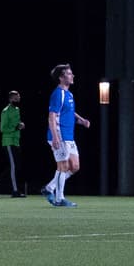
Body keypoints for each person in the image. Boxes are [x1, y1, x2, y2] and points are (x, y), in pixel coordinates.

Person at [40, 65, 90, 207]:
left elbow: (69, 112)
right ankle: (59, 199)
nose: (72, 76)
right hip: (59, 135)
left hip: (69, 136)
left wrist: (82, 120)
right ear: (61, 77)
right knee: (62, 166)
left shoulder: (69, 94)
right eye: (69, 74)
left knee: (74, 166)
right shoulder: (58, 94)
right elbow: (52, 116)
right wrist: (55, 137)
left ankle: (49, 188)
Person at [0, 90, 27, 197]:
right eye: (16, 98)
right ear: (10, 99)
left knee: (16, 166)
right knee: (14, 166)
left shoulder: (17, 109)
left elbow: (16, 124)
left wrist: (20, 125)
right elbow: (2, 128)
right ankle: (15, 191)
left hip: (16, 141)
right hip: (8, 141)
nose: (18, 99)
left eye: (18, 98)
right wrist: (16, 127)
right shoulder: (6, 111)